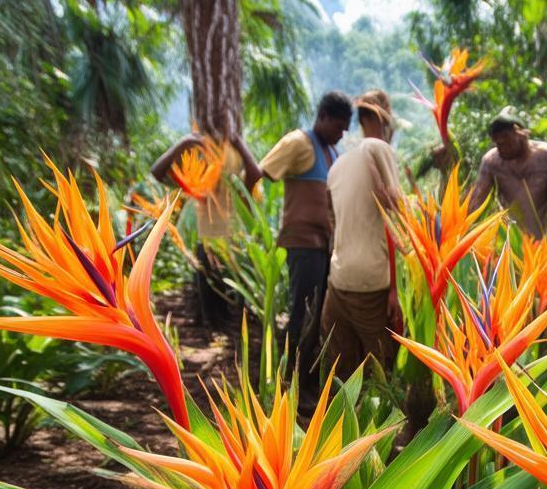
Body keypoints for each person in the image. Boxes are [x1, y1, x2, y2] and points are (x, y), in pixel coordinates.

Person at [255, 92, 354, 381]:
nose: (341, 135)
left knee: (319, 313)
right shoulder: (298, 143)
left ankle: (304, 373)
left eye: (345, 130)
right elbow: (262, 171)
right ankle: (284, 376)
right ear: (322, 116)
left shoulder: (332, 153)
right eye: (338, 127)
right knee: (302, 310)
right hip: (302, 242)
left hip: (325, 246)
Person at [321, 90, 402, 375]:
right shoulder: (380, 149)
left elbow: (334, 225)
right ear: (383, 117)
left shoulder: (337, 165)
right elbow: (394, 215)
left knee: (342, 371)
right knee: (381, 370)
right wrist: (395, 288)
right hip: (371, 283)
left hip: (338, 281)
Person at [151, 132, 261, 328]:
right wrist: (183, 143)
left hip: (233, 247)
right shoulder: (196, 165)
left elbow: (255, 173)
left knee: (235, 312)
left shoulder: (235, 163)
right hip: (206, 244)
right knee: (209, 313)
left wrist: (237, 141)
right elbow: (157, 172)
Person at [469, 107, 547, 238]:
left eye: (505, 142)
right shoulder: (492, 162)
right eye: (497, 143)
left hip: (543, 241)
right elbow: (475, 205)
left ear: (521, 135)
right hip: (509, 240)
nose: (501, 148)